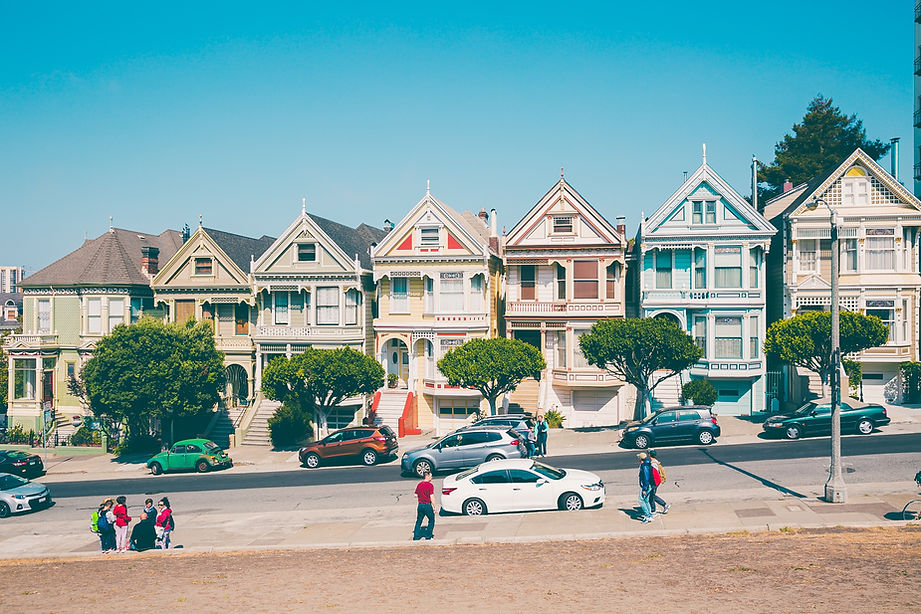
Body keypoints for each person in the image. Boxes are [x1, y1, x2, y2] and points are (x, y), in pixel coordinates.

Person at [413, 471, 436, 540]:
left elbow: (415, 495)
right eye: (431, 476)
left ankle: (416, 537)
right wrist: (434, 506)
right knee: (431, 520)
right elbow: (431, 496)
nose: (432, 478)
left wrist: (421, 495)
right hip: (427, 506)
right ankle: (428, 536)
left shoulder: (419, 484)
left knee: (419, 521)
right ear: (427, 476)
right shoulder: (430, 485)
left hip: (420, 505)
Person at [648, 449, 669, 514]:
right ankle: (653, 509)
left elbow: (654, 474)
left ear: (649, 455)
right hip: (656, 481)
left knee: (652, 496)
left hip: (655, 482)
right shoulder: (654, 461)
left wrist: (652, 483)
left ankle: (663, 505)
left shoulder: (653, 464)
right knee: (651, 495)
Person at [637, 453, 655, 523]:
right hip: (649, 485)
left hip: (646, 486)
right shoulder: (647, 464)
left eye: (638, 457)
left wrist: (644, 489)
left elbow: (646, 478)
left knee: (641, 500)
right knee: (646, 500)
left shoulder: (644, 466)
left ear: (640, 458)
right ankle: (650, 515)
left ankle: (647, 516)